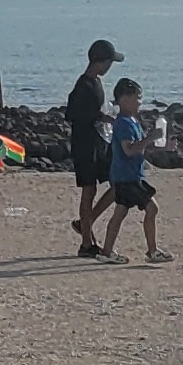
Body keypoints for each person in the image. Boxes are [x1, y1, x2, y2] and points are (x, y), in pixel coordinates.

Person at [92, 78, 172, 265]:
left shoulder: (132, 122)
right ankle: (152, 251)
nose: (140, 102)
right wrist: (150, 138)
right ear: (124, 99)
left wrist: (162, 146)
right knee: (152, 208)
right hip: (127, 177)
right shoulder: (123, 124)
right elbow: (129, 150)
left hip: (128, 175)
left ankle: (107, 251)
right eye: (137, 98)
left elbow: (140, 146)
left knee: (120, 213)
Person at [66, 39, 120, 257]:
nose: (109, 67)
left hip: (98, 141)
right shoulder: (83, 85)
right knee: (88, 190)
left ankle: (86, 223)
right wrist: (102, 117)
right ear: (100, 61)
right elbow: (73, 113)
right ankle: (86, 242)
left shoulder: (96, 82)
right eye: (109, 62)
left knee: (117, 184)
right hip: (84, 144)